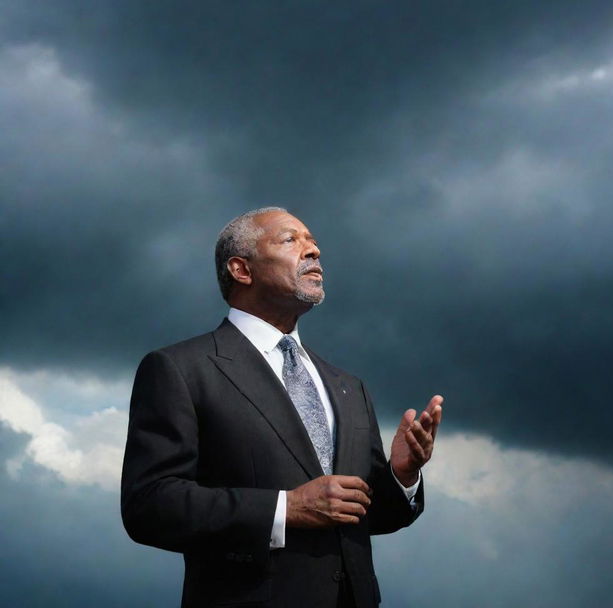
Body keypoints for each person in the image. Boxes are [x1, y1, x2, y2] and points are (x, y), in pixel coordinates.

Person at [121, 207, 443, 608]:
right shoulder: (181, 369)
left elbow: (366, 516)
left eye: (312, 240)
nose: (314, 250)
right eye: (291, 240)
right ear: (241, 270)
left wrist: (401, 475)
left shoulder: (349, 386)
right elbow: (149, 506)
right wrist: (285, 508)